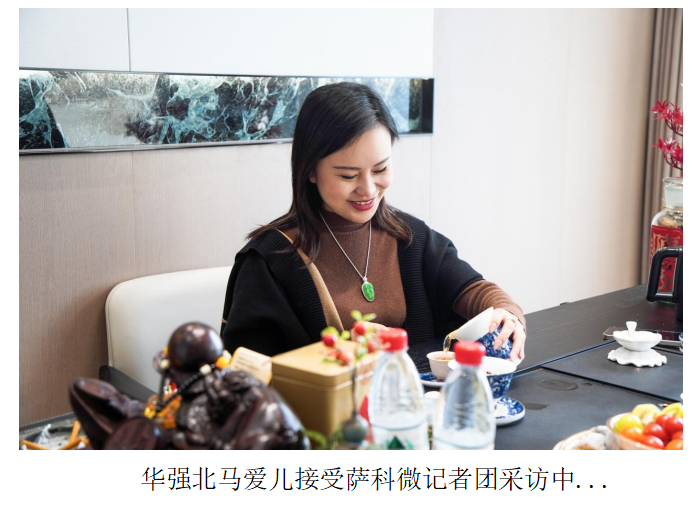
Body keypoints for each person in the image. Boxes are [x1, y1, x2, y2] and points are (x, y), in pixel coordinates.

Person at [221, 82, 526, 373]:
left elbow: (472, 289)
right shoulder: (269, 262)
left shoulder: (409, 237)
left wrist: (505, 313)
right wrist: (341, 351)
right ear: (310, 170)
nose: (368, 190)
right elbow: (248, 372)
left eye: (380, 169)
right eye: (348, 176)